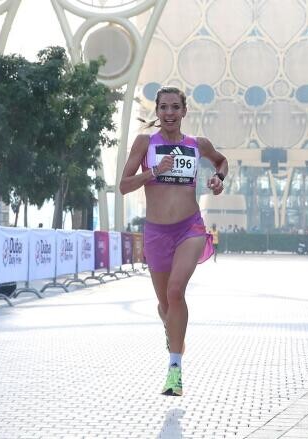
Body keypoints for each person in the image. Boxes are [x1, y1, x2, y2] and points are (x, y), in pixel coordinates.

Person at [119, 86, 226, 396]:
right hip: (156, 233)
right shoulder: (145, 143)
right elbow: (124, 185)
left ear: (184, 111)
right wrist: (153, 171)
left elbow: (221, 162)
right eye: (163, 107)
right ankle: (173, 331)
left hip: (189, 228)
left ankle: (174, 370)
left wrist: (219, 179)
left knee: (176, 291)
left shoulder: (197, 144)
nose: (169, 113)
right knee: (166, 305)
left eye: (175, 107)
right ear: (156, 111)